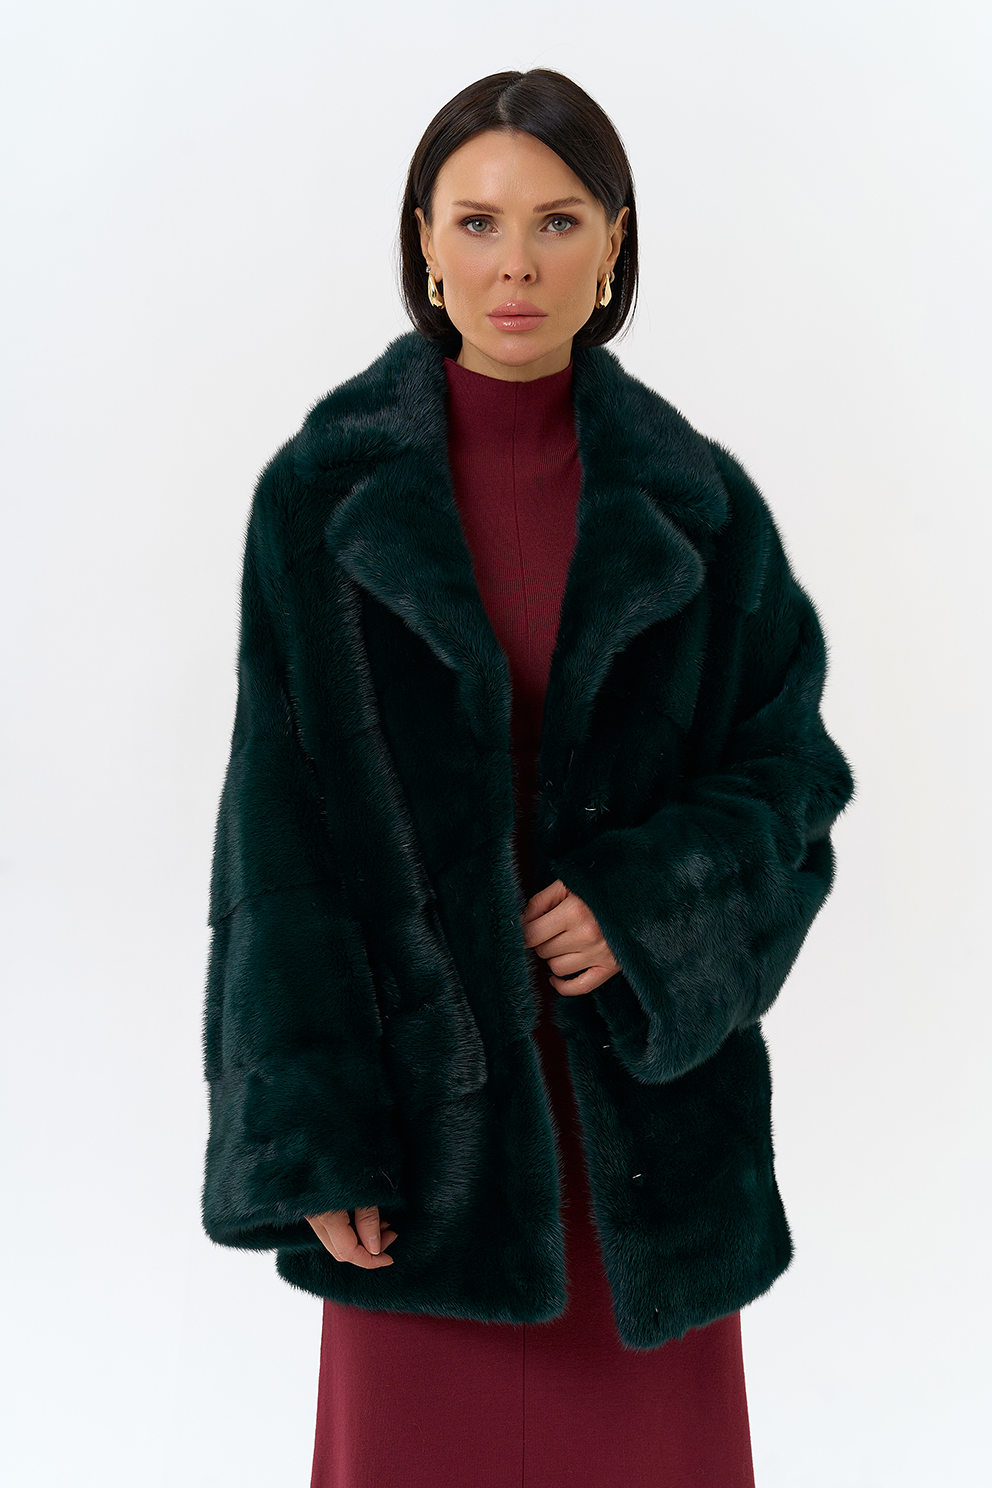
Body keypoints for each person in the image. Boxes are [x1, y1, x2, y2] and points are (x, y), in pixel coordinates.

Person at [200, 68, 855, 1487]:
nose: (516, 264)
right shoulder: (321, 501)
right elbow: (277, 837)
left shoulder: (697, 505)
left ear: (614, 243)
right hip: (417, 1141)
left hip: (645, 1148)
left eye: (557, 222)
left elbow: (792, 779)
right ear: (424, 243)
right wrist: (317, 1143)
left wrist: (647, 910)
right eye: (479, 222)